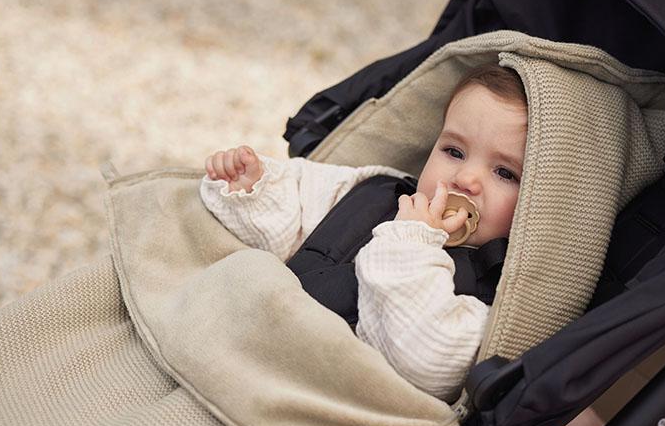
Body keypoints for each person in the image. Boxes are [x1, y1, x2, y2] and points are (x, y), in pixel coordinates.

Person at [200, 64, 528, 402]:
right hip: (252, 336)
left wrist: (412, 246)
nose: (465, 178)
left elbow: (431, 363)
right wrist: (255, 189)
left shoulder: (495, 294)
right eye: (454, 152)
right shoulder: (383, 191)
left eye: (504, 173)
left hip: (320, 394)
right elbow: (296, 216)